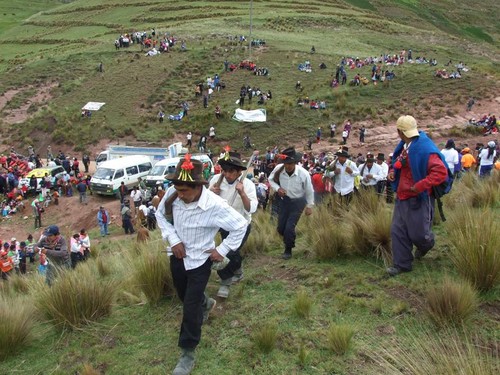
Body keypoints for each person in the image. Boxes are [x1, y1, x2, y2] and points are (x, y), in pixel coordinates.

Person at [156, 155, 247, 375]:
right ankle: (206, 303)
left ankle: (187, 353)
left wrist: (221, 251)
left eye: (184, 191)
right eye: (177, 189)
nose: (180, 195)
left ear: (198, 187)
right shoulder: (173, 195)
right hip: (177, 258)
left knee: (189, 307)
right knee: (183, 295)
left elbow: (240, 226)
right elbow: (160, 215)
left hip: (200, 262)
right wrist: (174, 239)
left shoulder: (215, 205)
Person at [386, 115, 448, 276]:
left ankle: (427, 243)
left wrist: (420, 186)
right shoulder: (404, 146)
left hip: (419, 197)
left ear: (399, 131)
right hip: (402, 195)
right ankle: (402, 264)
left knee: (419, 234)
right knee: (398, 231)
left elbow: (440, 172)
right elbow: (399, 165)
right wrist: (393, 172)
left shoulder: (424, 148)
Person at [209, 150, 258, 299]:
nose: (228, 174)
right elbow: (206, 204)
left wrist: (242, 193)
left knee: (226, 252)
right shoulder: (215, 181)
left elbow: (251, 209)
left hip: (242, 225)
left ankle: (225, 282)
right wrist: (211, 194)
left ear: (238, 172)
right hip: (222, 225)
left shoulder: (247, 185)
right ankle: (237, 270)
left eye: (232, 171)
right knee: (231, 252)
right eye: (225, 170)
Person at [268, 147, 314, 260]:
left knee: (289, 227)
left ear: (295, 163)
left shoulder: (304, 174)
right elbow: (271, 180)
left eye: (291, 163)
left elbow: (309, 190)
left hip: (298, 202)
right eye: (286, 163)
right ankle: (290, 238)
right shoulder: (279, 169)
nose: (288, 166)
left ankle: (288, 249)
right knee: (280, 228)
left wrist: (309, 206)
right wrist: (278, 189)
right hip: (284, 201)